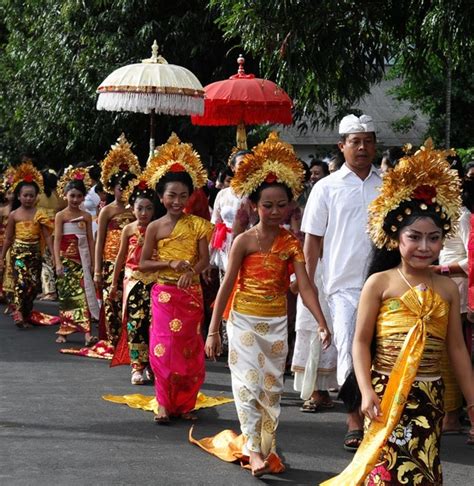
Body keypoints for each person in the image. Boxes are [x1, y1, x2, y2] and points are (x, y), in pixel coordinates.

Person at [322, 139, 474, 485]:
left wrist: (472, 401)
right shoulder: (379, 283)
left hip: (429, 397)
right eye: (415, 237)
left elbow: (456, 350)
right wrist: (366, 390)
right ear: (395, 238)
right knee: (384, 471)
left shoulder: (447, 288)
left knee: (422, 471)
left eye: (434, 238)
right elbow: (360, 343)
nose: (425, 247)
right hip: (385, 394)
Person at [202, 133, 331, 477]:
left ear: (291, 205)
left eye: (281, 205)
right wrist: (213, 330)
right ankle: (254, 450)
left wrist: (320, 321)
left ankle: (265, 447)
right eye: (267, 206)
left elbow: (304, 285)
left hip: (276, 323)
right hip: (242, 319)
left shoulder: (292, 243)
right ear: (254, 207)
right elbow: (227, 285)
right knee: (246, 385)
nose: (275, 212)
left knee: (272, 390)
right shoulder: (243, 241)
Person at [301, 114, 382, 451]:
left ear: (375, 144)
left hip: (385, 281)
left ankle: (380, 414)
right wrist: (306, 283)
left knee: (384, 349)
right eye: (355, 141)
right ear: (342, 146)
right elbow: (312, 242)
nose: (362, 147)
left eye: (367, 141)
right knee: (351, 348)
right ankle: (353, 418)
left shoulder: (387, 185)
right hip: (343, 286)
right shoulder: (326, 187)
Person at [139, 133, 213, 423]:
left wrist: (192, 273)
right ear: (160, 196)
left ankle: (186, 403)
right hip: (164, 294)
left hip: (190, 294)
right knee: (162, 349)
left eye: (183, 196)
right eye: (171, 195)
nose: (177, 201)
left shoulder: (198, 226)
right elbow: (144, 263)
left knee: (190, 351)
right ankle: (163, 403)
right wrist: (169, 262)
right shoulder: (154, 227)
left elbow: (205, 259)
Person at [110, 177, 156, 385]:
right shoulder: (128, 229)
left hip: (155, 281)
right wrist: (113, 283)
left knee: (155, 325)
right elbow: (121, 256)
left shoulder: (158, 229)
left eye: (148, 208)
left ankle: (155, 365)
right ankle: (137, 366)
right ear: (133, 208)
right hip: (134, 280)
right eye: (140, 208)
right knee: (135, 324)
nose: (144, 213)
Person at [94, 134, 139, 346]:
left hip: (132, 262)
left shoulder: (138, 210)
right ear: (112, 187)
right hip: (110, 262)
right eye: (121, 187)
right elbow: (99, 241)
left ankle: (129, 340)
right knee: (111, 300)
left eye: (128, 187)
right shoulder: (107, 211)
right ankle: (113, 340)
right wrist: (97, 270)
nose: (124, 191)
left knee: (130, 301)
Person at [0, 162, 54, 328]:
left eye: (31, 195)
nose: (28, 198)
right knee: (21, 283)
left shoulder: (40, 215)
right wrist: (1, 257)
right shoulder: (14, 215)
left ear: (36, 196)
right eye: (25, 195)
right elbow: (8, 238)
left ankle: (27, 312)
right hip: (18, 254)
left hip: (35, 254)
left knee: (33, 286)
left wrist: (53, 255)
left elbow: (47, 236)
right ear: (18, 196)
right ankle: (19, 315)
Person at [54, 166, 99, 346]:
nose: (75, 199)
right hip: (65, 262)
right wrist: (57, 263)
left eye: (79, 196)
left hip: (82, 261)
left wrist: (94, 262)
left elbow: (90, 239)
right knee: (66, 297)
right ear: (65, 195)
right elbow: (57, 240)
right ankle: (64, 331)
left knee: (85, 296)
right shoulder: (60, 216)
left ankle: (87, 334)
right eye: (72, 195)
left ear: (83, 197)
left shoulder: (86, 216)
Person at [37, 168, 65, 300]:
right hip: (55, 229)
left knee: (46, 260)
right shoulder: (56, 196)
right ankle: (51, 290)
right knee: (54, 259)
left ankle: (50, 291)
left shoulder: (39, 196)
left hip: (44, 230)